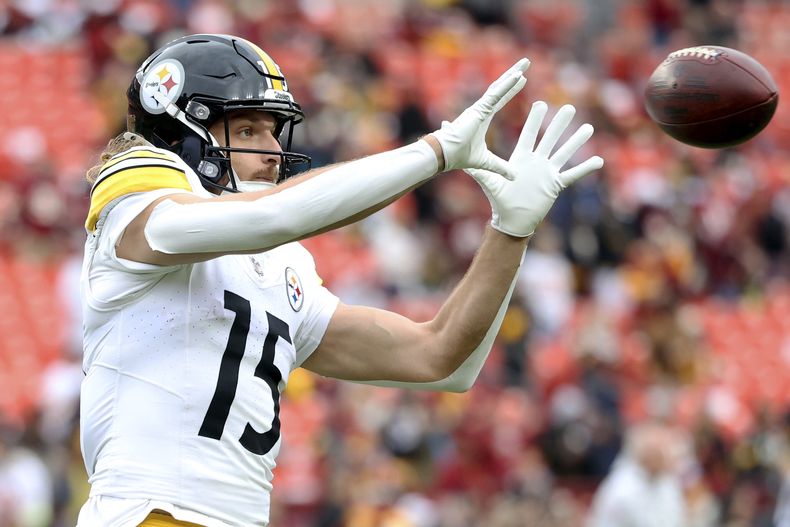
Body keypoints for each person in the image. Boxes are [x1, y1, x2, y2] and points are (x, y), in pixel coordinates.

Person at [77, 33, 603, 527]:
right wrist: (435, 151)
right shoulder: (134, 192)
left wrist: (510, 232)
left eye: (272, 131)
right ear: (180, 133)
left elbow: (440, 358)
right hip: (149, 510)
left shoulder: (282, 265)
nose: (271, 151)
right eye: (246, 130)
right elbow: (271, 217)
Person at [586, 421, 687, 527]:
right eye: (663, 451)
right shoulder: (621, 488)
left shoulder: (667, 482)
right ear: (649, 455)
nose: (669, 456)